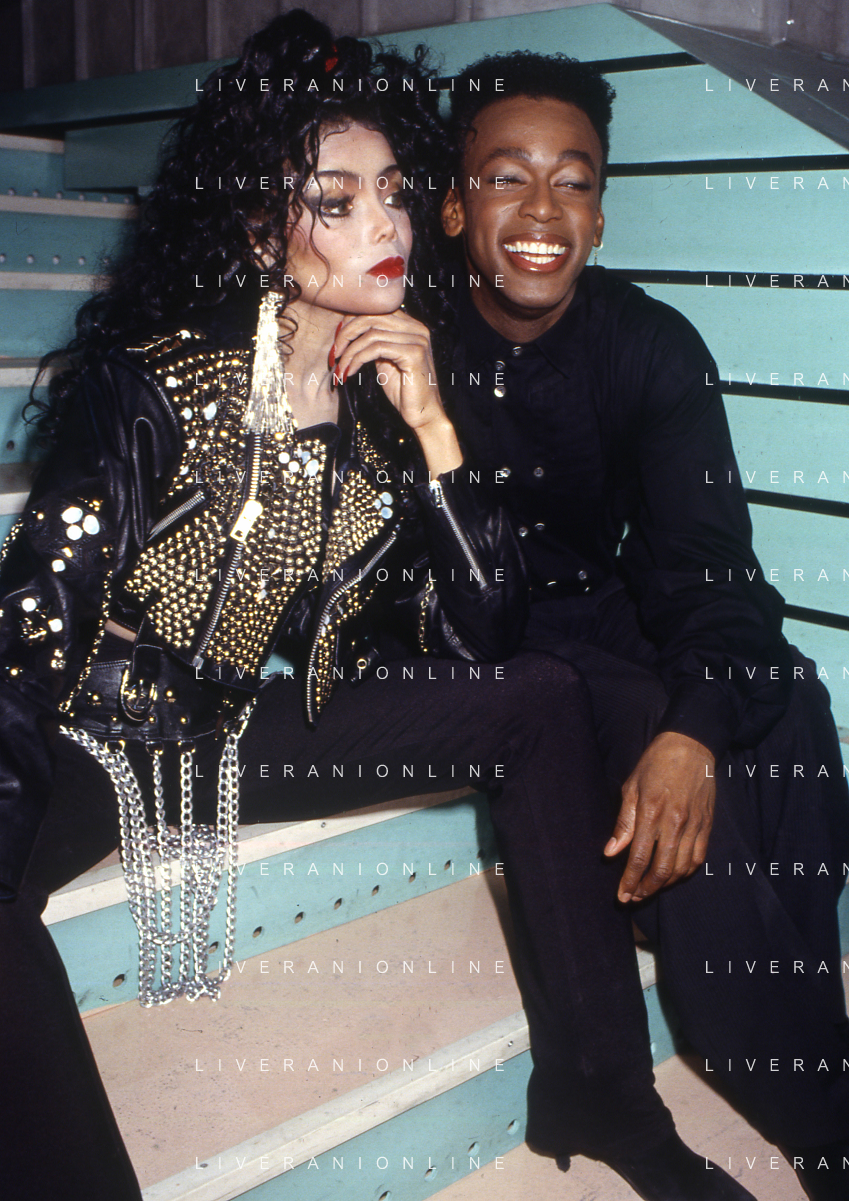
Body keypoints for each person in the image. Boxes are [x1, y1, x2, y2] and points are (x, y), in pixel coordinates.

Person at [0, 13, 759, 1201]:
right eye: (338, 201)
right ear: (263, 231)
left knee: (543, 695)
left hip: (232, 729)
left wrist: (438, 433)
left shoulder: (377, 407)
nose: (390, 226)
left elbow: (478, 643)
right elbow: (29, 635)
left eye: (397, 193)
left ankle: (606, 1094)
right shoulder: (154, 385)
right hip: (84, 739)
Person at [441, 49, 849, 1201]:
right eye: (507, 177)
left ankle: (798, 1027)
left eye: (573, 181)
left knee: (784, 693)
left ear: (602, 213)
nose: (542, 211)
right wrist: (672, 734)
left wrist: (698, 723)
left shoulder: (651, 342)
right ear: (455, 205)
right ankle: (811, 1100)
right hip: (482, 643)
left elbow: (709, 563)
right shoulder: (408, 337)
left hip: (603, 607)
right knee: (672, 787)